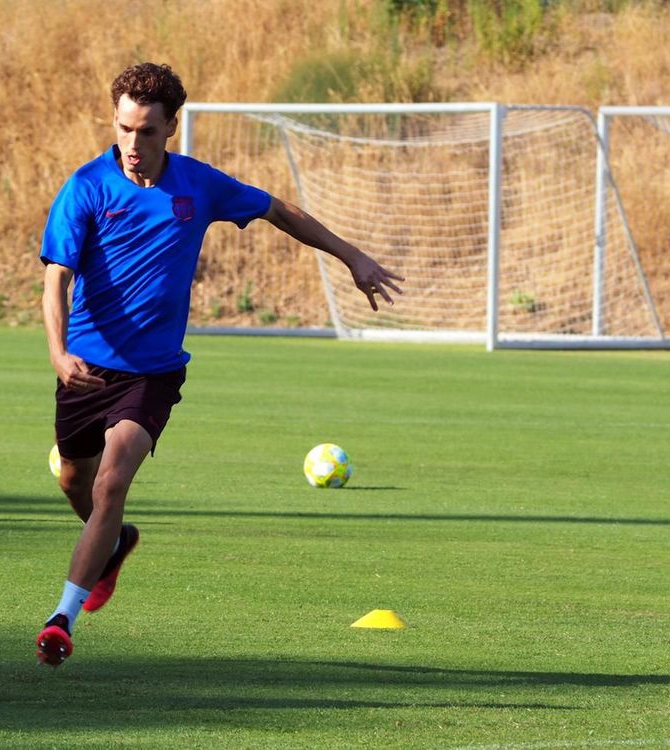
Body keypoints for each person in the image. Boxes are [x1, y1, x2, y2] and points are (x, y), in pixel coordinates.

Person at [35, 62, 403, 667]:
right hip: (86, 368)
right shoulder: (86, 187)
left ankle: (61, 620)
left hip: (151, 374)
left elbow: (278, 210)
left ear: (171, 128)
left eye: (147, 132)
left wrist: (351, 255)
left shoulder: (197, 187)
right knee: (75, 480)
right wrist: (57, 351)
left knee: (110, 483)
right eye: (124, 129)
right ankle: (116, 544)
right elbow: (57, 280)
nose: (133, 144)